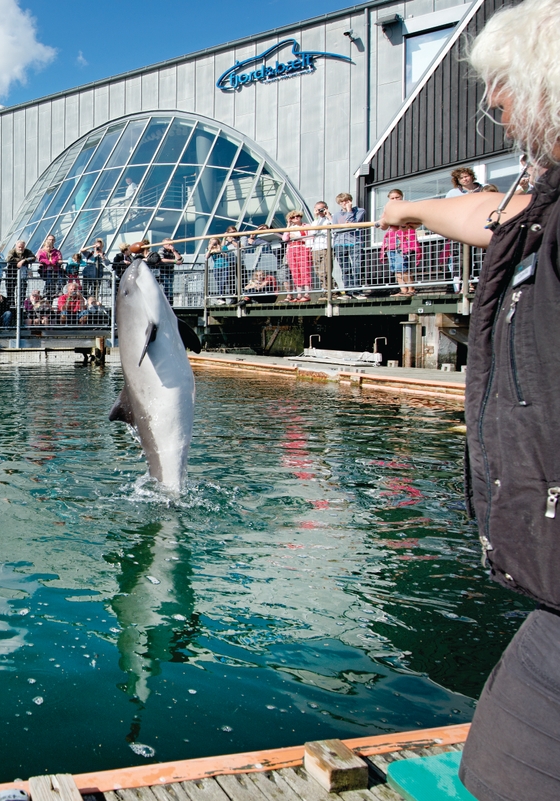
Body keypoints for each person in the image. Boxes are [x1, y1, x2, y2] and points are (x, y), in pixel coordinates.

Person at [381, 5, 560, 796]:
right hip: (552, 590)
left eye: (504, 89)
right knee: (497, 764)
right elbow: (495, 219)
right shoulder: (542, 204)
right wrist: (413, 208)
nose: (495, 109)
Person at [380, 189, 420, 296]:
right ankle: (403, 290)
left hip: (403, 242)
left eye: (397, 197)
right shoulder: (387, 210)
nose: (395, 200)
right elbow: (383, 224)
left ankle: (411, 289)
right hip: (391, 242)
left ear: (401, 197)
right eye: (392, 198)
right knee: (396, 269)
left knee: (403, 268)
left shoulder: (406, 207)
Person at [332, 193, 367, 297]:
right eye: (342, 202)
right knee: (345, 268)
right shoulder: (336, 215)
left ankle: (357, 290)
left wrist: (349, 211)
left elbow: (352, 224)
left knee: (357, 266)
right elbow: (335, 229)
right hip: (340, 243)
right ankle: (348, 291)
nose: (344, 203)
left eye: (346, 201)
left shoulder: (360, 211)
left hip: (354, 242)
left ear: (350, 201)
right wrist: (345, 226)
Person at [281, 211, 313, 302]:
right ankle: (299, 294)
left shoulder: (306, 226)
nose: (296, 218)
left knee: (305, 270)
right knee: (295, 272)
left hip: (303, 248)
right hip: (292, 250)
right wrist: (288, 225)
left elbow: (311, 237)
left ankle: (306, 294)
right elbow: (285, 238)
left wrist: (297, 237)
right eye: (293, 217)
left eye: (297, 216)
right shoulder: (290, 228)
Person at [307, 202, 334, 296]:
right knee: (318, 271)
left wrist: (328, 215)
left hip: (327, 246)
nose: (320, 211)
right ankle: (328, 289)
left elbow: (334, 228)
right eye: (318, 209)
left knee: (326, 270)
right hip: (316, 248)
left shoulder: (331, 217)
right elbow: (313, 232)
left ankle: (331, 290)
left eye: (322, 209)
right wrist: (316, 217)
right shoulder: (315, 221)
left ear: (326, 208)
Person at [5, 240, 35, 307]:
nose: (21, 248)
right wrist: (21, 260)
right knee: (10, 293)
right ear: (16, 246)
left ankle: (20, 309)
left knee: (22, 293)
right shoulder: (12, 251)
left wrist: (24, 260)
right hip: (11, 274)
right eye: (19, 247)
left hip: (22, 275)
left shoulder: (27, 251)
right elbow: (9, 258)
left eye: (22, 247)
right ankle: (12, 308)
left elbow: (33, 258)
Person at [37, 234, 64, 299]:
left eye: (52, 240)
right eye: (49, 239)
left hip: (55, 270)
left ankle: (56, 292)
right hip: (46, 270)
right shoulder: (41, 251)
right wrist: (49, 262)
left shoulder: (56, 251)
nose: (51, 241)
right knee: (49, 281)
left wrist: (53, 262)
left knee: (58, 280)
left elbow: (58, 258)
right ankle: (47, 291)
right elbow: (40, 258)